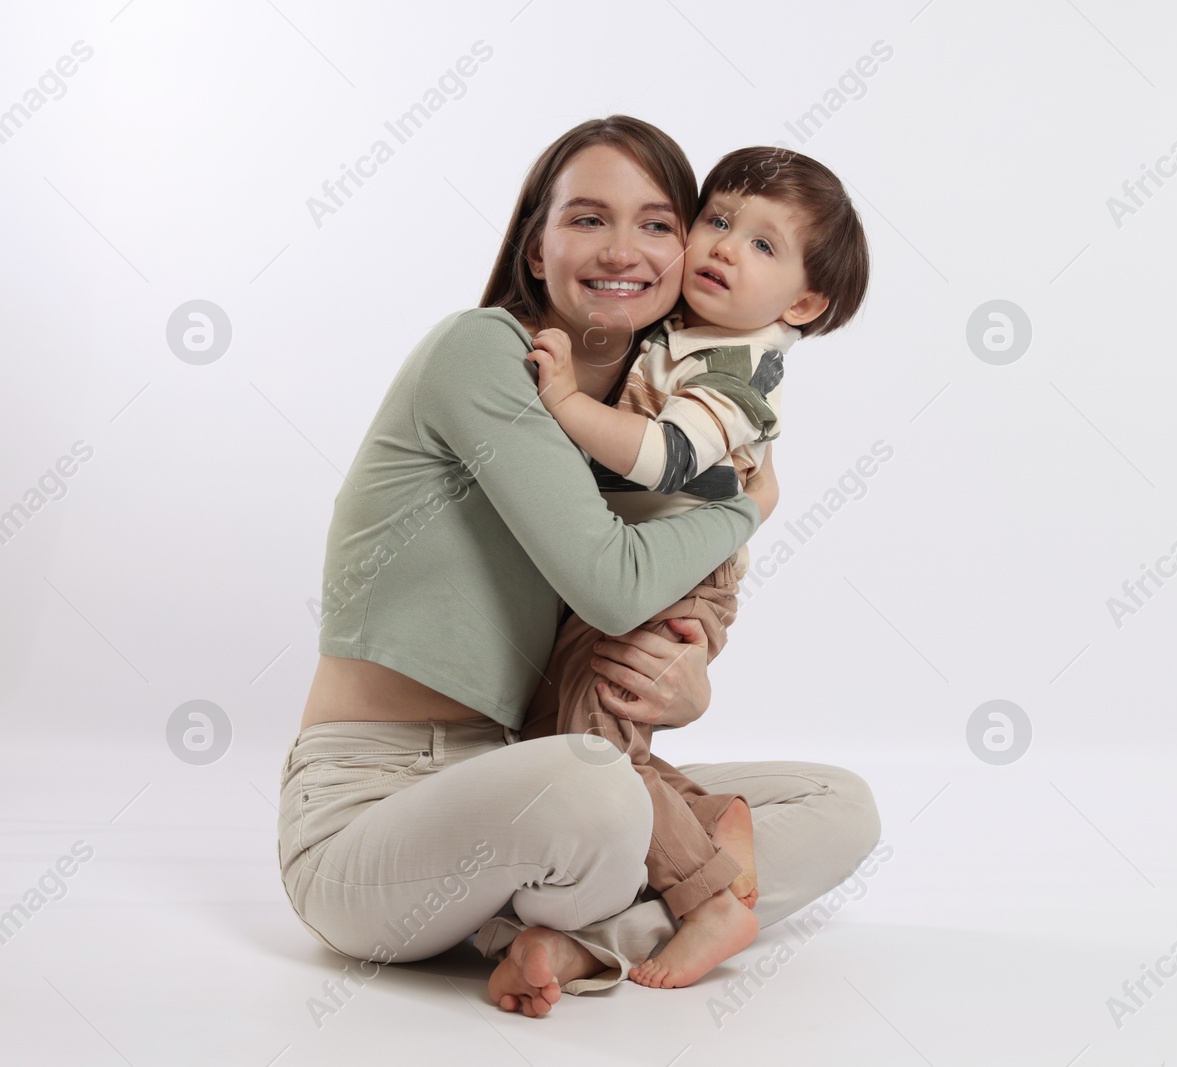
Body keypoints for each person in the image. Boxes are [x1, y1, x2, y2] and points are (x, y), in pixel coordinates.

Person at [276, 114, 881, 1019]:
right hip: (370, 812)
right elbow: (612, 582)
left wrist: (684, 689)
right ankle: (636, 906)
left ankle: (566, 939)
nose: (622, 250)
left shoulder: (652, 406)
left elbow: (617, 623)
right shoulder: (485, 354)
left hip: (526, 771)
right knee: (599, 786)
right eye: (588, 219)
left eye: (658, 223)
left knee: (841, 805)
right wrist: (747, 508)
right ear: (534, 247)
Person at [519, 145, 870, 988]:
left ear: (806, 300)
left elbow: (666, 459)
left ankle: (708, 898)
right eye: (717, 220)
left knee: (595, 750)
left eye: (762, 245)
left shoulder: (737, 369)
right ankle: (711, 817)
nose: (720, 247)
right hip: (640, 562)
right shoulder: (684, 333)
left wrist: (565, 405)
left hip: (678, 573)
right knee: (569, 736)